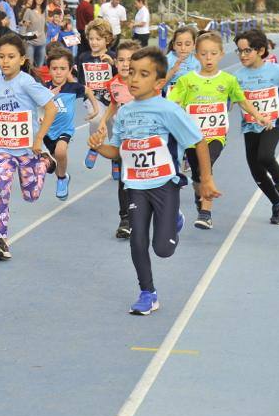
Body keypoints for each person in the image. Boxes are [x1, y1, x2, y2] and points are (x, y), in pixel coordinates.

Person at [88, 46, 219, 315]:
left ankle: (175, 219)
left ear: (159, 82)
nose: (134, 79)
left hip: (164, 184)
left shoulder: (168, 110)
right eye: (132, 73)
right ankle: (148, 293)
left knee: (163, 249)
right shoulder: (124, 113)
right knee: (137, 240)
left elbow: (198, 141)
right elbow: (117, 152)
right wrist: (100, 147)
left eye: (143, 74)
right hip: (135, 185)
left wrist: (205, 180)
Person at [169, 31, 269, 230]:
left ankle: (206, 213)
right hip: (192, 137)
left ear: (221, 55)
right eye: (204, 54)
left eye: (213, 54)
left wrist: (258, 115)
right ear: (196, 55)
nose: (208, 58)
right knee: (197, 173)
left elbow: (241, 101)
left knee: (208, 167)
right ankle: (199, 192)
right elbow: (172, 103)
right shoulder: (187, 80)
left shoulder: (228, 80)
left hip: (216, 136)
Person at [0, 33, 57, 260]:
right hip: (3, 148)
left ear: (21, 59)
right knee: (1, 189)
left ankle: (45, 163)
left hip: (28, 150)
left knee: (31, 195)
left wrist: (39, 138)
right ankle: (1, 240)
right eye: (1, 57)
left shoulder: (27, 82)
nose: (5, 61)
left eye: (11, 57)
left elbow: (51, 109)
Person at [234, 28, 279, 225]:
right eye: (239, 51)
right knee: (256, 170)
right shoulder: (237, 77)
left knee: (265, 156)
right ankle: (277, 203)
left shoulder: (275, 71)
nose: (242, 55)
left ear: (261, 50)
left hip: (272, 121)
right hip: (250, 125)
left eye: (247, 51)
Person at [95, 39, 138, 238]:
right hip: (123, 138)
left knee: (143, 179)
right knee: (123, 178)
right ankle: (125, 219)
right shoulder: (113, 84)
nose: (125, 64)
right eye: (120, 60)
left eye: (130, 60)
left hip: (144, 138)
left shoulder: (143, 82)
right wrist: (103, 120)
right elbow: (113, 104)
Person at [44, 48, 99, 201]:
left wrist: (95, 109)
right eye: (55, 68)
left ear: (69, 70)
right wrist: (48, 96)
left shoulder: (73, 87)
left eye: (63, 69)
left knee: (61, 152)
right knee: (54, 161)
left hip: (64, 130)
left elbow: (88, 90)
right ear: (49, 69)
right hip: (47, 132)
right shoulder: (43, 87)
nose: (58, 72)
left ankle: (61, 180)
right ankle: (63, 176)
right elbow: (36, 105)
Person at [78, 18, 117, 169]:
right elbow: (82, 81)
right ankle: (94, 146)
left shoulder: (113, 56)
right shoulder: (83, 58)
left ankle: (115, 159)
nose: (94, 42)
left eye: (98, 39)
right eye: (91, 39)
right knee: (96, 120)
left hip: (113, 99)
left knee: (114, 127)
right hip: (93, 98)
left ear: (107, 40)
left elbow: (122, 76)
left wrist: (112, 64)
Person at [165, 25, 199, 96]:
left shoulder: (197, 61)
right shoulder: (166, 60)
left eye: (187, 44)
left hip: (191, 98)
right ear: (174, 45)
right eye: (179, 44)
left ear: (194, 45)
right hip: (170, 100)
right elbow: (158, 85)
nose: (183, 48)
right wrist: (173, 71)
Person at [20, 0, 48, 68]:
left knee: (40, 67)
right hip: (30, 43)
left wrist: (45, 39)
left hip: (42, 43)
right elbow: (23, 27)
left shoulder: (45, 11)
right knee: (30, 66)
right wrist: (24, 40)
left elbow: (45, 27)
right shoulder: (28, 11)